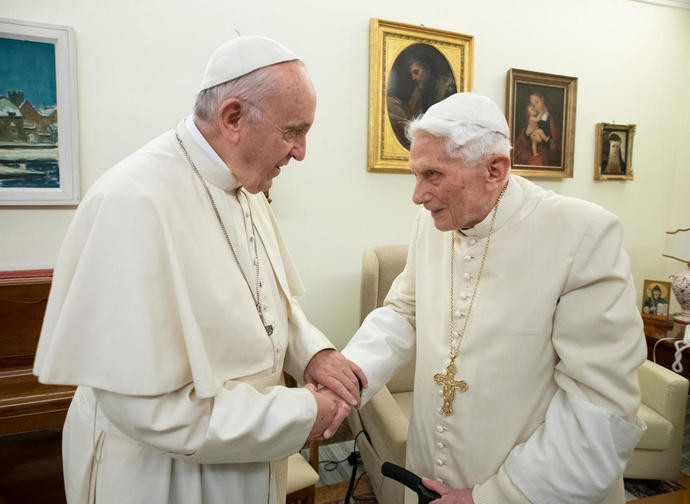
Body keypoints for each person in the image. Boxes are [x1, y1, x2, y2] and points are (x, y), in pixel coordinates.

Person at [33, 36, 366, 504]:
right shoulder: (133, 202)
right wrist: (300, 413)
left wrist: (313, 353)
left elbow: (273, 305)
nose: (301, 152)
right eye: (293, 131)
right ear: (233, 118)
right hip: (164, 477)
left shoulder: (246, 188)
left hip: (246, 459)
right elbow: (150, 411)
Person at [343, 93, 646, 503]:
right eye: (415, 174)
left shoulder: (583, 236)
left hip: (528, 491)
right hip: (426, 475)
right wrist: (345, 379)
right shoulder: (430, 221)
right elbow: (403, 311)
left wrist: (490, 497)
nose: (417, 195)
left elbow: (600, 407)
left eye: (433, 175)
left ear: (494, 170)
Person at [513, 91, 562, 166]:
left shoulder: (552, 118)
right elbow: (524, 138)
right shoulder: (534, 117)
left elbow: (557, 141)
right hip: (534, 151)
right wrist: (526, 134)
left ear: (542, 100)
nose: (535, 106)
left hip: (547, 153)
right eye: (533, 105)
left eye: (537, 102)